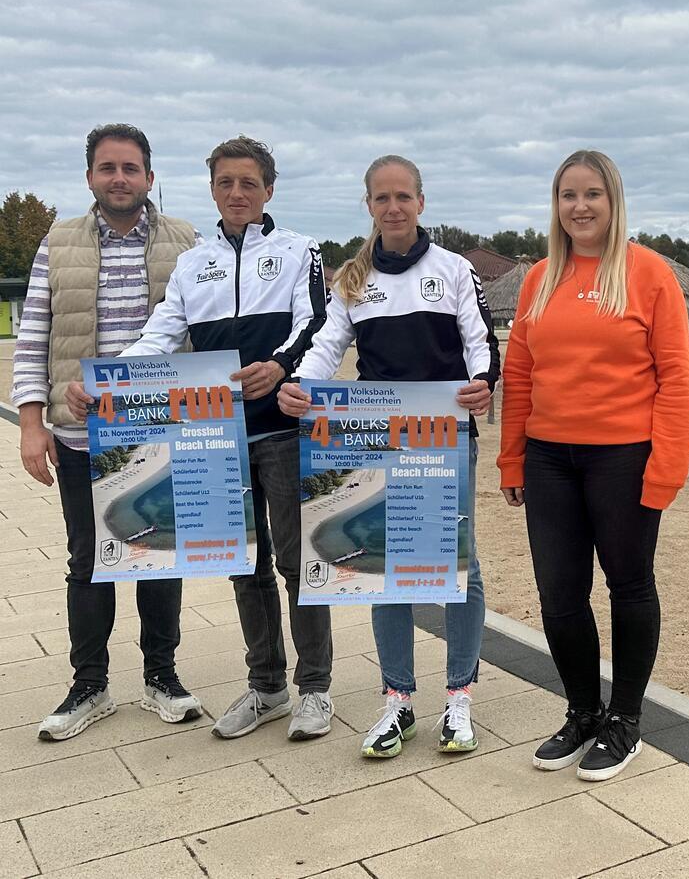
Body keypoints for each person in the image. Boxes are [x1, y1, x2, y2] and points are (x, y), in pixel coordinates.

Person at [68, 135, 334, 740]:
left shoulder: (300, 250)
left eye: (248, 183)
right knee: (245, 565)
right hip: (215, 439)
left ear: (269, 189)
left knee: (299, 564)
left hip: (284, 431)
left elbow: (315, 322)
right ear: (211, 188)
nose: (236, 193)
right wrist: (105, 384)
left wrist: (283, 365)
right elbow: (160, 336)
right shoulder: (193, 261)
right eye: (225, 183)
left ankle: (315, 689)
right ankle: (268, 687)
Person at [278, 154, 498, 759]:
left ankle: (459, 697)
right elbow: (326, 347)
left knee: (461, 566)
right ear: (369, 206)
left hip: (444, 439)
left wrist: (484, 380)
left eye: (404, 196)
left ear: (421, 202)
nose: (394, 207)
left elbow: (481, 340)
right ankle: (397, 699)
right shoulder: (351, 278)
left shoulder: (454, 269)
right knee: (388, 567)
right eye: (382, 198)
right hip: (374, 436)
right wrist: (300, 384)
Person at [498, 150, 689, 782]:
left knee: (629, 585)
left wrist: (665, 469)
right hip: (551, 457)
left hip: (624, 456)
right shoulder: (539, 278)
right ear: (555, 207)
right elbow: (520, 374)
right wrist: (512, 459)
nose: (579, 207)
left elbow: (675, 381)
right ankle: (582, 712)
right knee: (559, 593)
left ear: (613, 201)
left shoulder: (648, 274)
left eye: (592, 195)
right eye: (567, 196)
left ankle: (626, 719)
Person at [13, 124, 201, 740]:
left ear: (150, 176)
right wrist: (31, 425)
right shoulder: (57, 242)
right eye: (107, 168)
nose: (119, 178)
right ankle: (89, 684)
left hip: (162, 430)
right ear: (90, 176)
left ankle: (161, 676)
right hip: (78, 434)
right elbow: (33, 336)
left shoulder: (186, 241)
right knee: (87, 559)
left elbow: (200, 335)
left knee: (158, 554)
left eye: (130, 168)